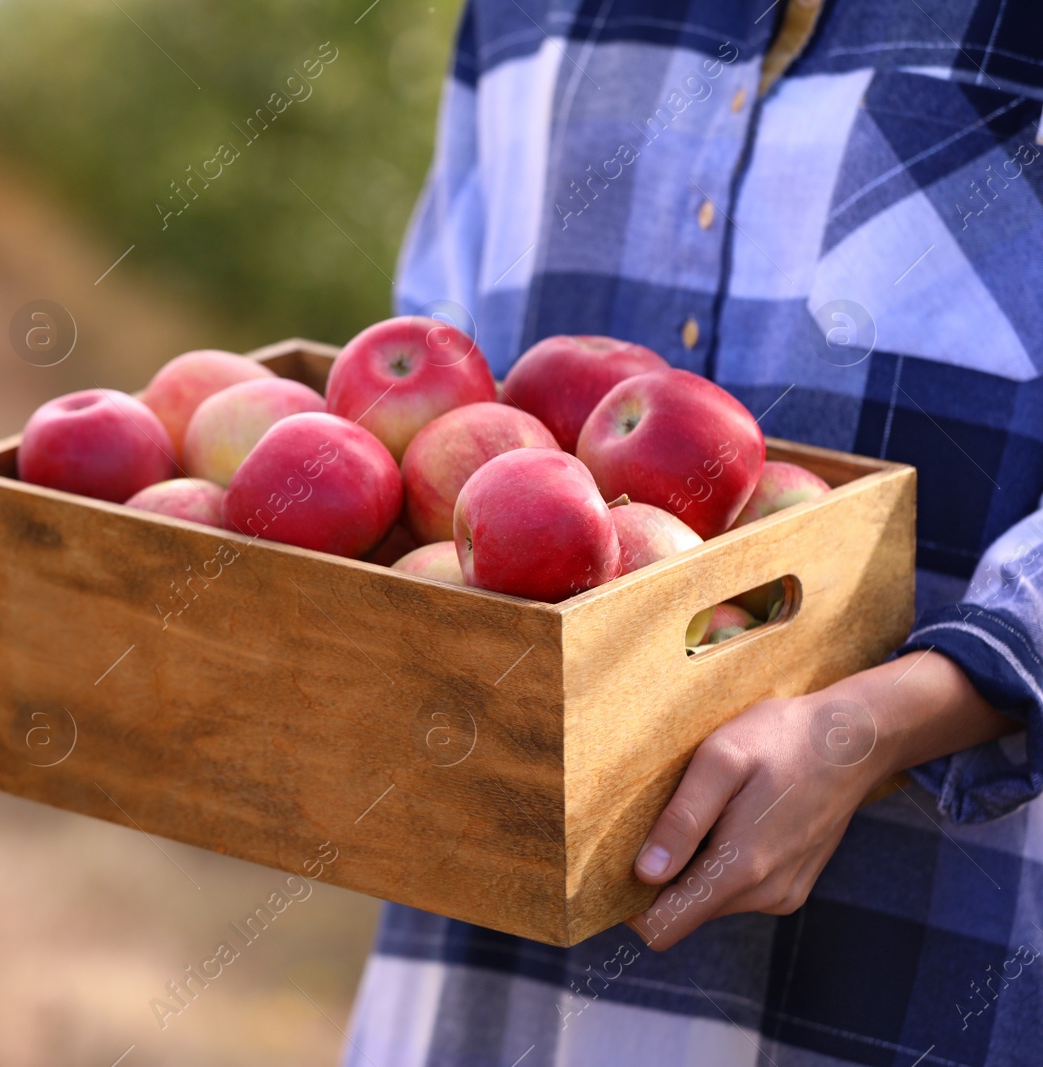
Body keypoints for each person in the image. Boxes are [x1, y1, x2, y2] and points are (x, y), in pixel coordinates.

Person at [343, 1, 1043, 1064]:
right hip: (503, 918)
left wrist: (880, 721)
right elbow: (417, 396)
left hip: (921, 923)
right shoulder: (520, 18)